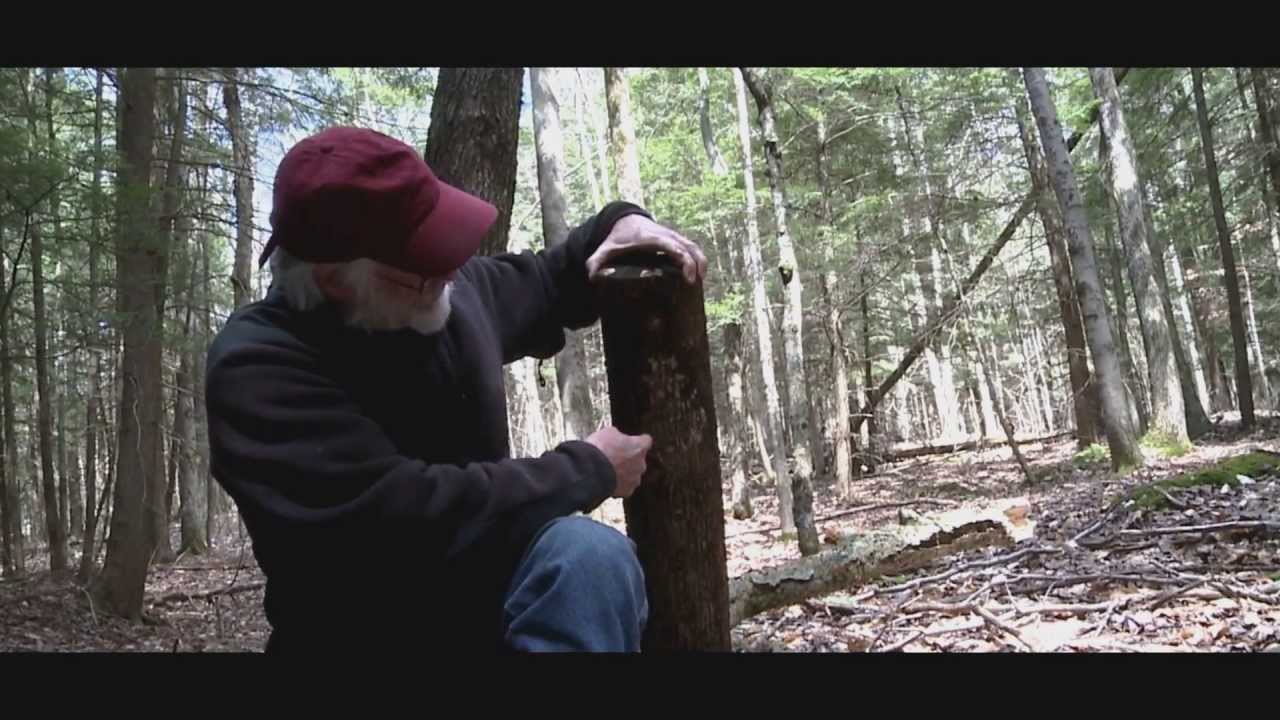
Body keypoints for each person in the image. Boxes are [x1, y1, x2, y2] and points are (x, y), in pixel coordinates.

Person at [204, 126, 707, 654]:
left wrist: (620, 222)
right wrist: (586, 468)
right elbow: (404, 521)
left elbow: (549, 279)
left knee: (586, 557)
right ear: (333, 280)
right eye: (423, 266)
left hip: (487, 609)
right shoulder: (257, 368)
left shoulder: (443, 295)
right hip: (354, 632)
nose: (448, 274)